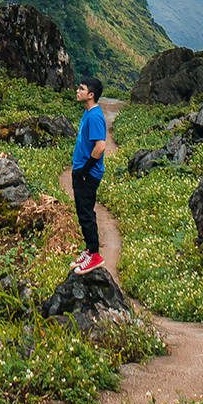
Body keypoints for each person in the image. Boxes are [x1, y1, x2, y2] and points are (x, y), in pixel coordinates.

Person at [70, 77, 116, 275]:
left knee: (86, 213)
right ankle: (89, 250)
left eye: (82, 89)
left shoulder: (95, 116)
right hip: (82, 171)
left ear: (91, 95)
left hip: (87, 174)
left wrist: (84, 170)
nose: (78, 91)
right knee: (83, 211)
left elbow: (101, 146)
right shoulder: (88, 113)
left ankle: (95, 254)